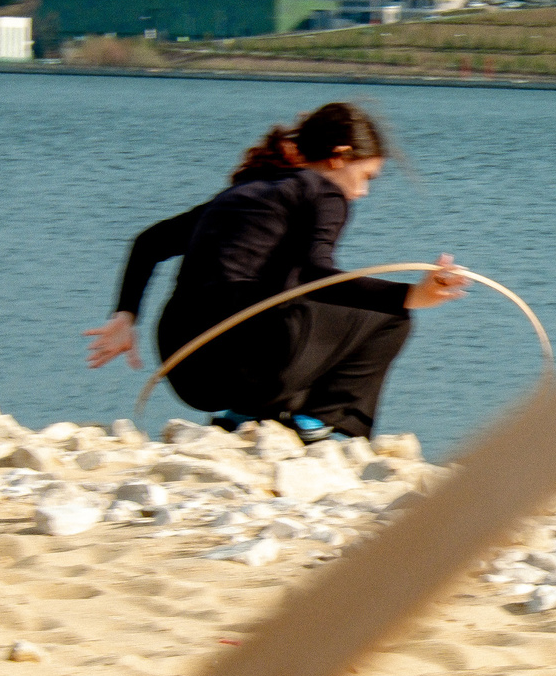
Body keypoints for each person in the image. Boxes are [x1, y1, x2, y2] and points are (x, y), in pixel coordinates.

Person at [83, 102, 466, 441]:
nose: (362, 192)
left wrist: (125, 316)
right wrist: (411, 295)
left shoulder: (245, 191)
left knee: (288, 301)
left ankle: (248, 415)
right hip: (251, 365)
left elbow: (148, 243)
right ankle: (322, 422)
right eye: (366, 176)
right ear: (340, 156)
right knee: (392, 318)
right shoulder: (323, 192)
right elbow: (317, 275)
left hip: (184, 368)